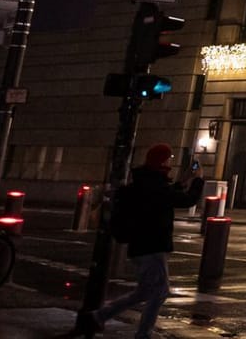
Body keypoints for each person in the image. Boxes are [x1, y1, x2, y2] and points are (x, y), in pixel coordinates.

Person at [79, 143, 204, 337]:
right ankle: (141, 333)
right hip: (152, 246)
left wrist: (182, 182)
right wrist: (198, 181)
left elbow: (165, 195)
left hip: (141, 245)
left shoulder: (146, 181)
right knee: (160, 291)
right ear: (161, 161)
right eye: (168, 159)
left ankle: (99, 316)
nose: (170, 162)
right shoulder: (155, 185)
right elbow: (185, 200)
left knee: (145, 291)